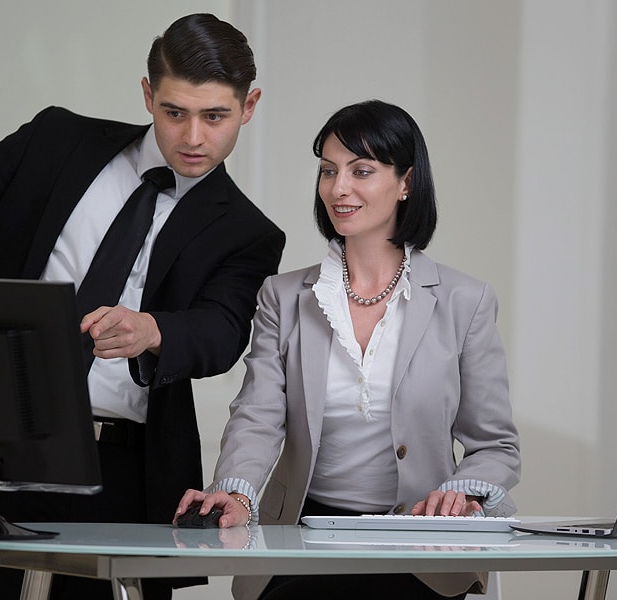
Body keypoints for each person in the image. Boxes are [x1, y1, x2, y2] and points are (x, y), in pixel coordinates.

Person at [0, 13, 285, 600]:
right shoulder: (56, 142)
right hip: (2, 458)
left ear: (248, 106)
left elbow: (223, 330)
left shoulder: (249, 233)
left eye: (214, 116)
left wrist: (153, 330)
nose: (193, 137)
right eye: (175, 112)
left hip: (124, 472)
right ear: (148, 94)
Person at [174, 100, 520, 600]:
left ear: (406, 182)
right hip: (303, 540)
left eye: (361, 171)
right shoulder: (283, 297)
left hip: (420, 551)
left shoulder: (465, 301)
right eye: (328, 170)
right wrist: (235, 492)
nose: (338, 188)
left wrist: (460, 495)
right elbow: (257, 416)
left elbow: (494, 445)